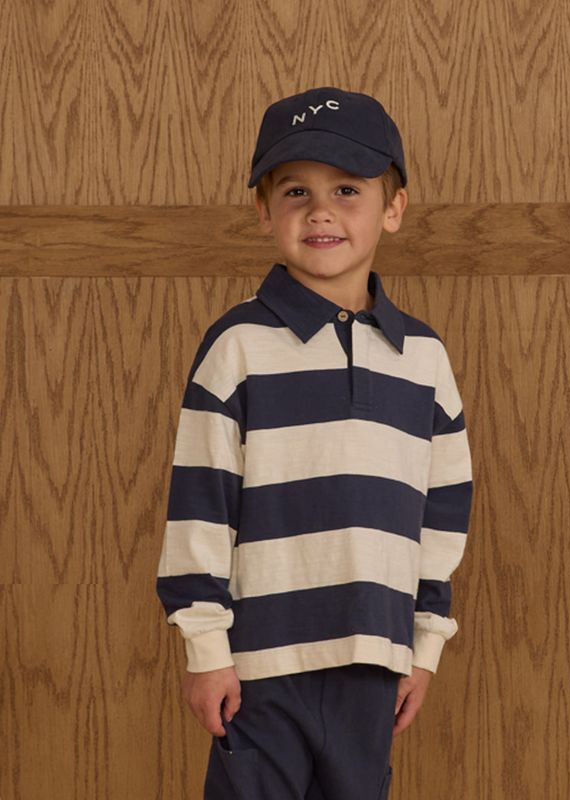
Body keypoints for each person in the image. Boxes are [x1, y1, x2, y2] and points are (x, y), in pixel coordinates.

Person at [156, 86, 473, 800]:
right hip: (259, 668)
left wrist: (423, 648)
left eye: (347, 189)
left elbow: (443, 516)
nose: (321, 210)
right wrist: (207, 651)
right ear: (264, 210)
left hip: (373, 662)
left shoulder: (423, 358)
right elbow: (200, 507)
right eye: (296, 189)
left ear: (393, 209)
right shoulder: (237, 347)